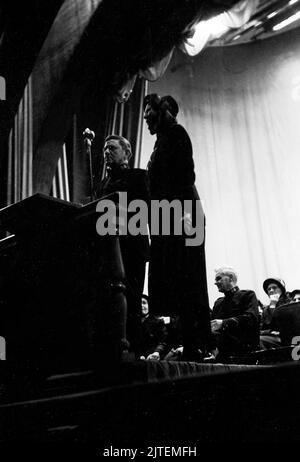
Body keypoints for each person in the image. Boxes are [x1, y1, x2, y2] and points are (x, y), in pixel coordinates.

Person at [143, 93, 211, 361]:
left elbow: (185, 176)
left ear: (161, 111)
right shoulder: (159, 143)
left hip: (182, 214)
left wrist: (183, 215)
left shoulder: (176, 133)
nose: (146, 117)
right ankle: (187, 343)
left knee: (188, 279)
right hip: (165, 216)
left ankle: (196, 345)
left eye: (148, 111)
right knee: (174, 280)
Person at [95, 134, 150, 357]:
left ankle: (135, 351)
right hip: (108, 247)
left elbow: (148, 210)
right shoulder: (101, 185)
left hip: (131, 247)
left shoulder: (138, 177)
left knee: (132, 299)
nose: (107, 152)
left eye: (112, 148)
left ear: (127, 152)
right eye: (105, 149)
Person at [211, 266, 260, 361]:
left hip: (245, 353)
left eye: (218, 278)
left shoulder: (248, 295)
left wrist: (224, 323)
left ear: (230, 277)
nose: (215, 282)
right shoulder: (218, 303)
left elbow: (251, 318)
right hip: (223, 354)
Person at [260, 277, 290, 349]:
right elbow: (263, 327)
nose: (271, 290)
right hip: (274, 337)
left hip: (290, 337)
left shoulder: (290, 303)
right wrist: (273, 305)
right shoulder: (266, 309)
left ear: (282, 289)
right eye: (269, 289)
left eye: (274, 287)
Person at [139, 294, 168, 361]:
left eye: (144, 303)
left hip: (152, 356)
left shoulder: (158, 321)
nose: (141, 305)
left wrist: (156, 352)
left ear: (149, 305)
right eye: (139, 303)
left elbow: (162, 341)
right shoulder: (132, 322)